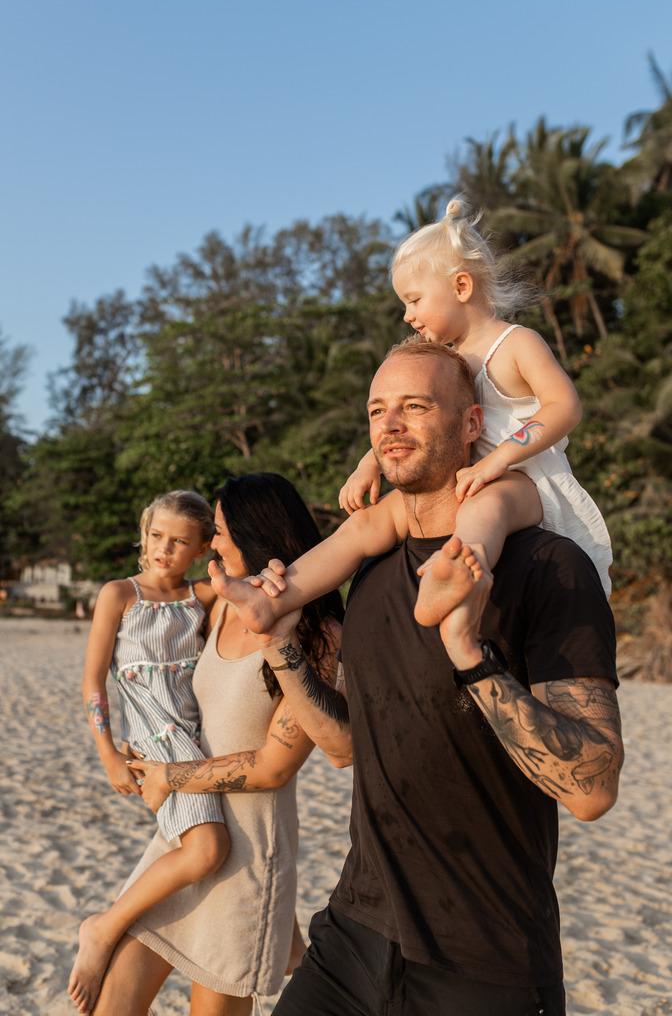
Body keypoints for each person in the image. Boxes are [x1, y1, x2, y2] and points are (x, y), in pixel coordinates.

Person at [214, 339, 624, 1016]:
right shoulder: (373, 567)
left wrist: (469, 653)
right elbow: (349, 745)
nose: (390, 424)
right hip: (356, 930)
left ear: (472, 424)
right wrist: (279, 644)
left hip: (485, 960)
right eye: (378, 410)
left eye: (414, 406)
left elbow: (593, 789)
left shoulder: (549, 568)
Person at [213, 195, 611, 642]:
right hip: (454, 481)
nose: (408, 314)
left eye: (415, 299)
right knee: (366, 524)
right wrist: (369, 463)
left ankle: (455, 571)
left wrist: (500, 459)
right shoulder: (446, 360)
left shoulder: (515, 343)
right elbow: (407, 418)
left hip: (522, 479)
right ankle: (274, 599)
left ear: (461, 288)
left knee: (488, 506)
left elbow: (565, 407)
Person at [85, 474, 344, 1016]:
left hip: (249, 851)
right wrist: (132, 742)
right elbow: (162, 672)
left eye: (219, 531)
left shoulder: (319, 637)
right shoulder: (222, 602)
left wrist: (169, 776)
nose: (211, 545)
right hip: (187, 834)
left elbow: (276, 767)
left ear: (255, 534)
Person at [69, 490, 228, 1015]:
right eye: (157, 536)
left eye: (180, 541)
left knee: (205, 853)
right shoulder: (120, 594)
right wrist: (108, 753)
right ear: (144, 533)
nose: (164, 549)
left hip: (197, 740)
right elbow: (93, 680)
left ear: (203, 546)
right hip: (154, 741)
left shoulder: (202, 598)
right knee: (206, 850)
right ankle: (104, 927)